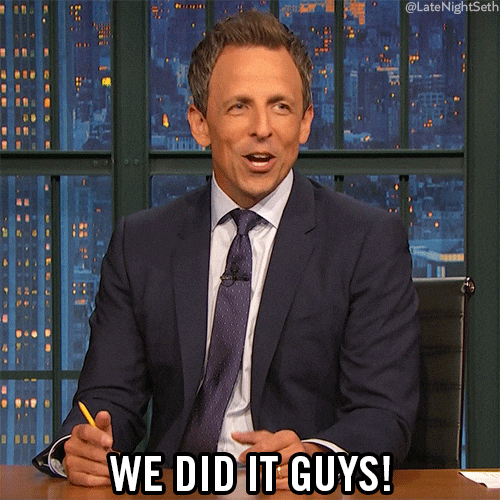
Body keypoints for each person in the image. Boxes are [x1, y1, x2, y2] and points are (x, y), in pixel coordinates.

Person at [33, 10, 420, 488]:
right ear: (200, 123)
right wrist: (85, 447)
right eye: (239, 107)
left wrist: (315, 456)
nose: (263, 128)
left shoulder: (366, 242)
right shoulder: (143, 243)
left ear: (305, 122)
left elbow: (383, 414)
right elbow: (106, 399)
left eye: (281, 107)